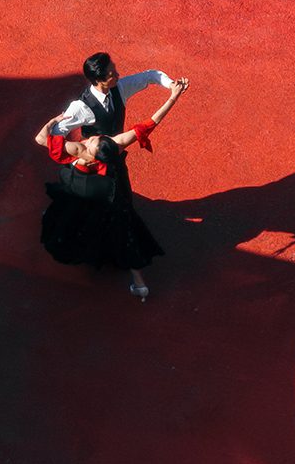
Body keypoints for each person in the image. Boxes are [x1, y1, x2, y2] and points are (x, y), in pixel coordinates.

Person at [33, 76, 189, 299]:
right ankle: (139, 283)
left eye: (93, 141)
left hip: (84, 189)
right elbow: (152, 122)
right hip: (109, 190)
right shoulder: (117, 145)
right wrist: (173, 97)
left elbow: (41, 139)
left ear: (92, 153)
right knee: (124, 228)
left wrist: (52, 122)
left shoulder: (79, 150)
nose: (92, 138)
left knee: (69, 201)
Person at [53, 51, 179, 139]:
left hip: (117, 159)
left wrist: (171, 84)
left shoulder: (119, 88)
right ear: (99, 80)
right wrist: (80, 153)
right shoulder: (81, 106)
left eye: (115, 69)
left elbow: (149, 75)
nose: (118, 75)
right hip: (94, 166)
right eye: (112, 74)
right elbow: (55, 134)